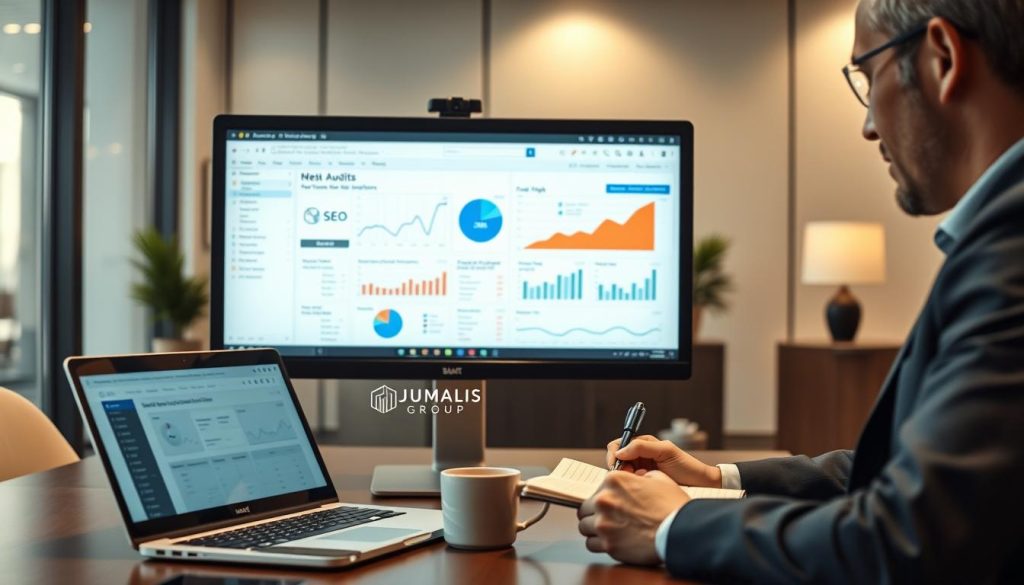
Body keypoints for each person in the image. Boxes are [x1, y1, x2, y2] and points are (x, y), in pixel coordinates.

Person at [577, 1, 1024, 582]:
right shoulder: (998, 235)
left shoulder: (1010, 252)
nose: (867, 126)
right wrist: (718, 481)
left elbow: (906, 541)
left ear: (942, 56)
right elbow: (905, 477)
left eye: (867, 75)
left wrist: (673, 526)